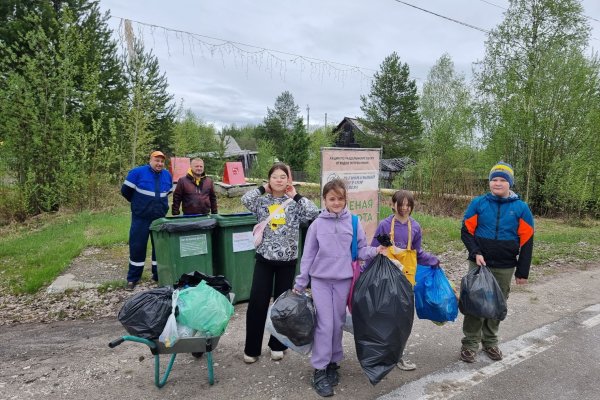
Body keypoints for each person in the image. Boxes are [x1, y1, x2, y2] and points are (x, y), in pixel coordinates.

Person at [294, 179, 384, 397]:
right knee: (325, 324)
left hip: (344, 280)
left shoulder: (353, 222)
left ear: (346, 200)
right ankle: (320, 369)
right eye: (332, 198)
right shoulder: (316, 224)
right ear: (324, 200)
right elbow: (307, 256)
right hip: (321, 281)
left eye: (340, 198)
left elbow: (361, 250)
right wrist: (300, 281)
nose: (336, 202)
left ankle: (334, 362)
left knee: (337, 323)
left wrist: (376, 251)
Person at [241, 162, 319, 364]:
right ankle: (252, 349)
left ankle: (278, 345)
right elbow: (245, 198)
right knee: (258, 303)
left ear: (289, 180)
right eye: (275, 176)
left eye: (283, 176)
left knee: (283, 306)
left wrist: (296, 195)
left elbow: (314, 212)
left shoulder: (293, 203)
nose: (279, 180)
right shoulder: (261, 201)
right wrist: (262, 188)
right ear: (269, 180)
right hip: (264, 260)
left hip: (288, 261)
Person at [459, 161, 534, 363]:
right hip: (479, 262)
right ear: (489, 182)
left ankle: (490, 342)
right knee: (475, 302)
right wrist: (475, 252)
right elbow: (466, 231)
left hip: (505, 265)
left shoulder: (521, 208)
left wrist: (522, 271)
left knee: (496, 304)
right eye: (494, 179)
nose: (497, 183)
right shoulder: (478, 203)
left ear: (510, 183)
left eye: (502, 180)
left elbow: (527, 240)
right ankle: (470, 344)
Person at [370, 189, 440, 371]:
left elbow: (418, 254)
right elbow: (373, 249)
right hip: (385, 280)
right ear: (392, 205)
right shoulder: (384, 225)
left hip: (406, 281)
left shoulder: (415, 227)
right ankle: (382, 354)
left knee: (402, 319)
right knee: (384, 317)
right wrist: (363, 272)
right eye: (400, 204)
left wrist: (433, 260)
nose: (404, 208)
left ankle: (398, 355)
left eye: (408, 205)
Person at [121, 151, 172, 291]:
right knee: (137, 247)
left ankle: (158, 275)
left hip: (159, 219)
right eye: (157, 160)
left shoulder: (167, 175)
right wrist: (138, 203)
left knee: (159, 248)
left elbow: (167, 192)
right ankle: (133, 278)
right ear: (150, 160)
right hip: (141, 218)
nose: (159, 163)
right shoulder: (137, 173)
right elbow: (125, 191)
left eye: (162, 161)